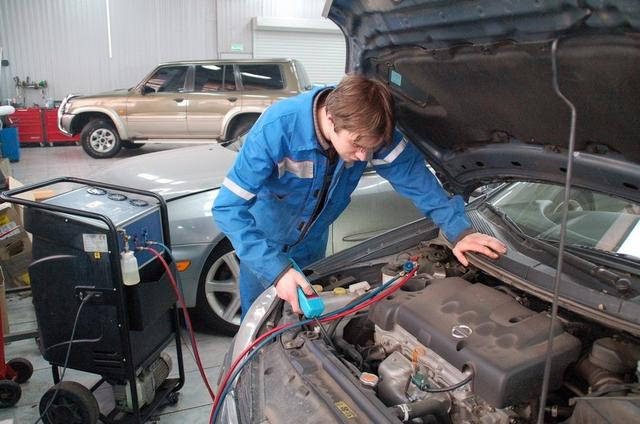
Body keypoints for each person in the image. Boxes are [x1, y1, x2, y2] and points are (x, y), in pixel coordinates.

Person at [213, 74, 506, 317]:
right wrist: (277, 271)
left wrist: (459, 230)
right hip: (263, 247)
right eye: (356, 145)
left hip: (313, 246)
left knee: (305, 323)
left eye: (370, 147)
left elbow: (416, 179)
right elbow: (227, 208)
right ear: (330, 118)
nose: (363, 155)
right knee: (258, 329)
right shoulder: (277, 130)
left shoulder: (368, 129)